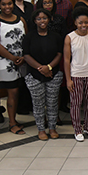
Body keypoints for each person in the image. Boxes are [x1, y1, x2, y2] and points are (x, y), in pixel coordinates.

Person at [0, 0, 27, 135]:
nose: (7, 7)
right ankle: (12, 122)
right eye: (3, 4)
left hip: (21, 61)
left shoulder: (20, 19)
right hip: (5, 62)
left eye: (9, 3)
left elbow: (26, 38)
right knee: (12, 92)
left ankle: (14, 119)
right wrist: (12, 57)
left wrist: (23, 57)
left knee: (17, 91)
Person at [23, 8, 64, 140]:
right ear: (35, 21)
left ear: (49, 19)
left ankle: (52, 128)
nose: (42, 21)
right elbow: (26, 55)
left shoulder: (55, 36)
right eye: (39, 18)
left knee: (52, 103)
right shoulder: (29, 37)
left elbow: (59, 54)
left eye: (45, 18)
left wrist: (49, 67)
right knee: (38, 103)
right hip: (34, 75)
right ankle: (41, 129)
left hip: (53, 74)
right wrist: (41, 68)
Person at [64, 6, 88, 142]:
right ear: (75, 23)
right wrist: (68, 79)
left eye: (86, 22)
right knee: (76, 103)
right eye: (80, 23)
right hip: (76, 74)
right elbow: (67, 60)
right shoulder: (70, 37)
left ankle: (87, 126)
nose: (83, 25)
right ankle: (77, 129)